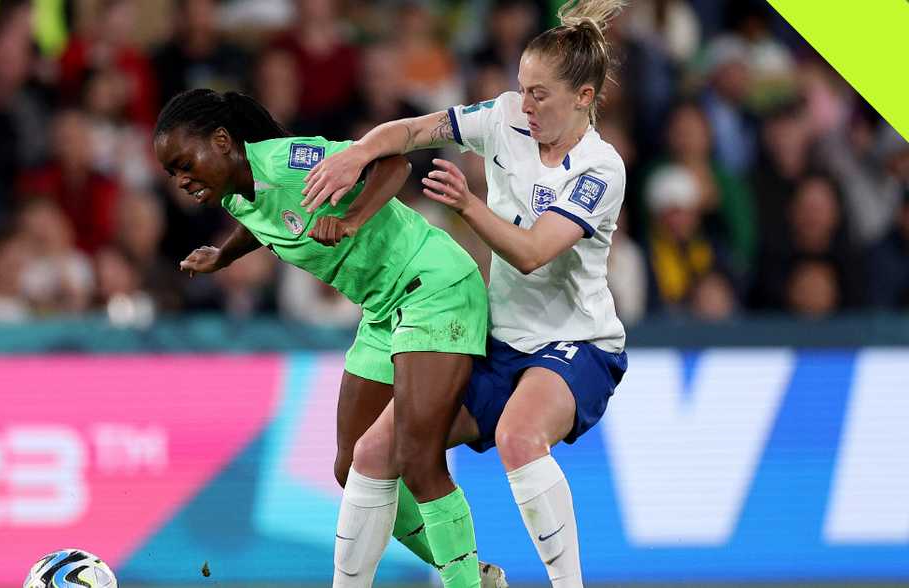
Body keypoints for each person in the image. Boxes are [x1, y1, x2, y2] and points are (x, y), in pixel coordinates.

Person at [302, 1, 630, 586]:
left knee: (519, 437)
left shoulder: (600, 169)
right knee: (372, 456)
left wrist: (469, 205)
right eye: (522, 89)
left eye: (541, 95)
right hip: (497, 338)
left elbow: (531, 255)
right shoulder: (504, 117)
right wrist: (358, 152)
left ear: (583, 97)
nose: (525, 106)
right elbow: (411, 130)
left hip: (575, 344)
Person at [153, 89, 492, 588]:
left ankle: (465, 582)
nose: (181, 180)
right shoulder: (233, 194)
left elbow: (393, 164)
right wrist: (223, 256)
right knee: (351, 465)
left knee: (417, 459)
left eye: (185, 163)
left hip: (434, 285)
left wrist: (353, 219)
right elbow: (264, 220)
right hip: (384, 311)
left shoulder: (291, 161)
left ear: (223, 141)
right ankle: (470, 570)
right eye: (172, 173)